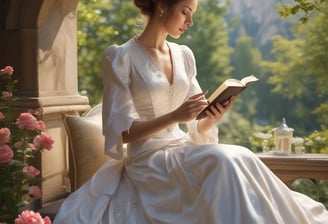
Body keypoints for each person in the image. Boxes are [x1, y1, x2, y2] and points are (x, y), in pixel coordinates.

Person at [54, 0, 328, 223]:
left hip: (181, 148)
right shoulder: (120, 57)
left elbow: (196, 125)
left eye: (192, 14)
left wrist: (212, 117)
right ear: (162, 6)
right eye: (185, 12)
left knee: (240, 154)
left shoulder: (184, 54)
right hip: (148, 160)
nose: (190, 22)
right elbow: (121, 132)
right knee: (223, 161)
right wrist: (175, 117)